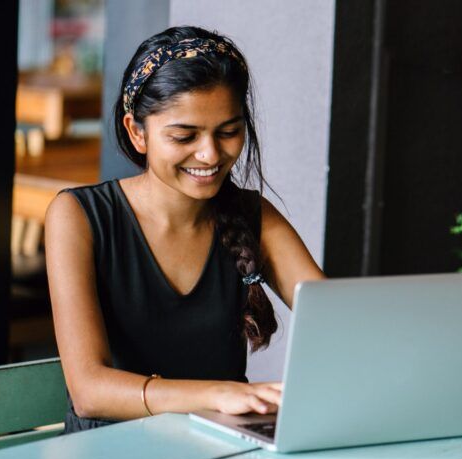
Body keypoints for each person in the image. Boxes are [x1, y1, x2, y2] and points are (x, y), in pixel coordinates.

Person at [45, 26, 325, 433]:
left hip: (220, 447)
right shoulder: (78, 216)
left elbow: (337, 323)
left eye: (229, 132)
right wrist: (217, 394)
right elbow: (90, 390)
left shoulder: (251, 215)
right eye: (184, 135)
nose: (210, 154)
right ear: (136, 131)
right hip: (110, 452)